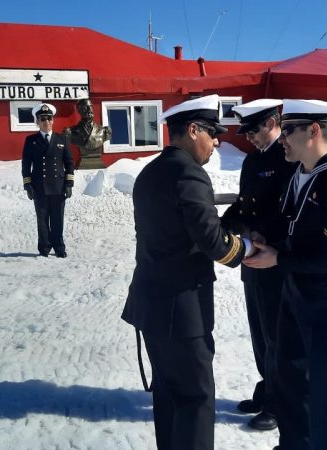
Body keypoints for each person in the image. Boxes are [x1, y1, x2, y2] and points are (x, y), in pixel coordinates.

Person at [121, 94, 255, 450]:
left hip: (152, 304)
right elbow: (213, 243)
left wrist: (230, 220)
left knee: (168, 395)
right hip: (181, 309)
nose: (217, 141)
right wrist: (250, 249)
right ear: (192, 129)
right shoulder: (189, 173)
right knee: (195, 398)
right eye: (212, 132)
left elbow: (183, 230)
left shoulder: (151, 171)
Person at [243, 99, 327, 450]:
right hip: (295, 293)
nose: (280, 138)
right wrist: (269, 240)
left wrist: (278, 259)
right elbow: (293, 228)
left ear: (313, 131)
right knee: (290, 379)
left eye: (287, 130)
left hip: (326, 301)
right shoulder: (301, 173)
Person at [220, 98, 295, 431]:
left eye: (253, 130)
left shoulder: (288, 158)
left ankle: (280, 404)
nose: (248, 137)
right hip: (252, 260)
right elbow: (243, 205)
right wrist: (220, 226)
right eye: (245, 131)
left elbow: (290, 212)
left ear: (272, 123)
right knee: (260, 333)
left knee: (278, 335)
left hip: (275, 261)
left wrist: (264, 234)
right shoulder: (252, 163)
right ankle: (268, 389)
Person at [22, 103, 75, 257]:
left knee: (58, 219)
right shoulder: (31, 140)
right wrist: (27, 185)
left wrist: (69, 183)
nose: (46, 122)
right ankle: (44, 248)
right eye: (42, 119)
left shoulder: (62, 138)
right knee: (43, 221)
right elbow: (26, 164)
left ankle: (59, 247)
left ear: (53, 120)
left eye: (49, 118)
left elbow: (69, 162)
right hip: (39, 187)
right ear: (37, 122)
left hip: (58, 187)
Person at [62, 98, 111, 168]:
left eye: (90, 106)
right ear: (79, 111)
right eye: (85, 107)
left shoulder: (104, 131)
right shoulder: (71, 132)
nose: (89, 110)